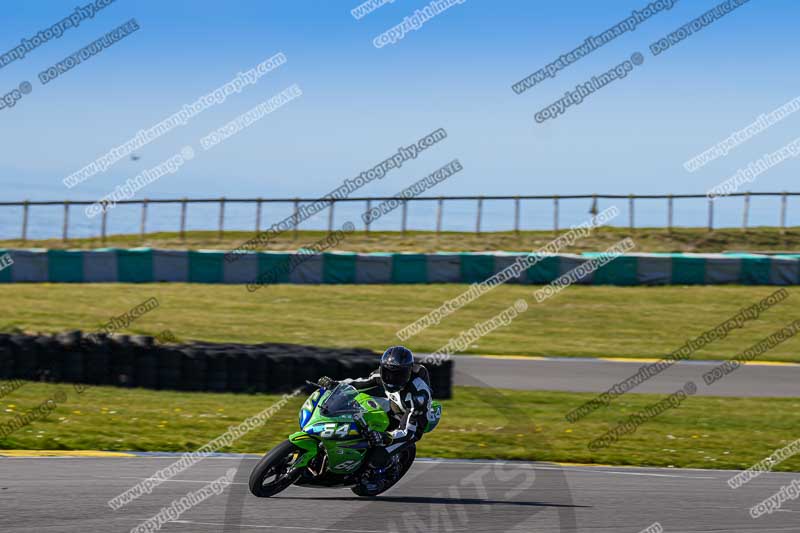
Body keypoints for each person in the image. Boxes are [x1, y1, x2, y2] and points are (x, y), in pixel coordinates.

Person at [318, 346, 433, 455]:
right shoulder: (380, 376)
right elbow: (358, 383)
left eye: (399, 375)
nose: (392, 379)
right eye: (388, 373)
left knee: (377, 457)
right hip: (394, 405)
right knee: (360, 409)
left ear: (409, 372)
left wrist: (385, 436)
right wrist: (334, 384)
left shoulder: (418, 394)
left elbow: (409, 432)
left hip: (413, 419)